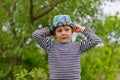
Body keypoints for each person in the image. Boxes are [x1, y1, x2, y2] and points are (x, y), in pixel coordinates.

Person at [32, 15, 100, 80]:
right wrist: (51, 31)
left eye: (67, 30)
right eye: (59, 31)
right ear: (55, 34)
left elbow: (95, 40)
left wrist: (82, 30)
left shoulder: (78, 46)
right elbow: (36, 35)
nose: (63, 33)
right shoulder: (50, 46)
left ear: (72, 31)